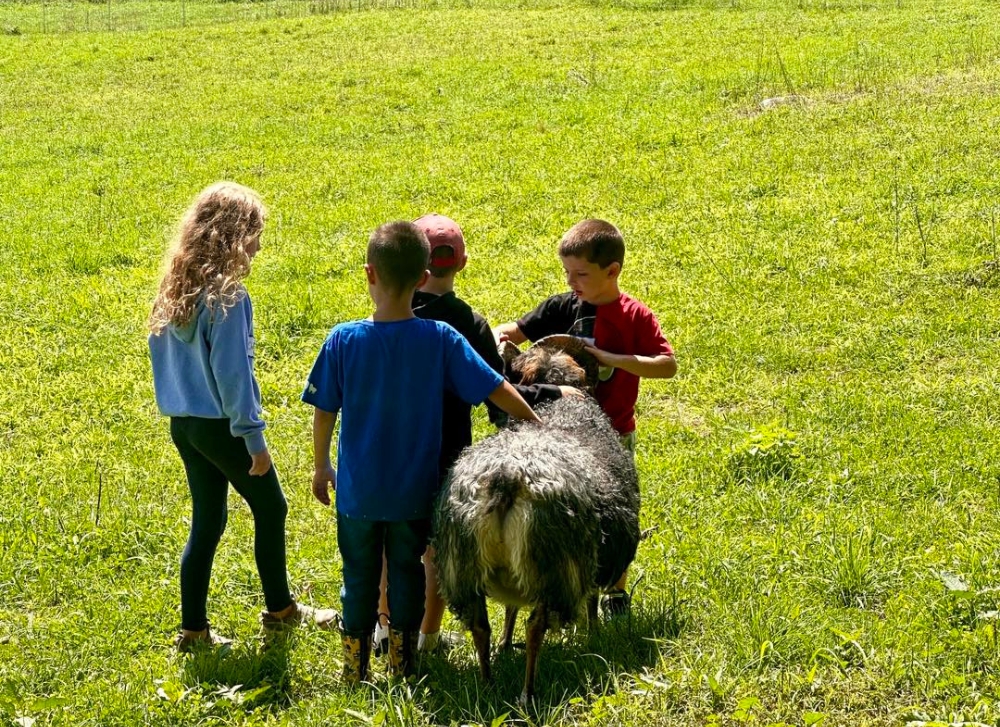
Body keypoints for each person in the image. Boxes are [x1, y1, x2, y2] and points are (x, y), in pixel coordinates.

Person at [303, 220, 541, 684]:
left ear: (369, 274)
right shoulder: (441, 338)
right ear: (421, 277)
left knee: (360, 578)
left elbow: (324, 411)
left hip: (358, 496)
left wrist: (320, 465)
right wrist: (536, 425)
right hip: (416, 493)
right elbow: (498, 388)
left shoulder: (343, 339)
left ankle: (354, 671)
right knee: (409, 574)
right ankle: (404, 667)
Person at [371, 214, 580, 657]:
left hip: (386, 456)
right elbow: (498, 392)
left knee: (389, 548)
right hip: (448, 457)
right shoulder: (467, 324)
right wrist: (552, 392)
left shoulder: (383, 320)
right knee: (441, 551)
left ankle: (383, 630)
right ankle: (428, 638)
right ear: (461, 263)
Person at [148, 182, 339, 652]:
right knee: (272, 507)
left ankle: (193, 631)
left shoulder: (175, 288)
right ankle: (281, 611)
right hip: (222, 427)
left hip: (185, 425)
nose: (258, 244)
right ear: (233, 235)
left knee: (207, 520)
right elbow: (234, 374)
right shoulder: (227, 296)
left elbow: (164, 359)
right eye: (254, 234)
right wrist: (253, 438)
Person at [493, 218, 677, 615]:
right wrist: (495, 336)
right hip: (561, 434)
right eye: (567, 273)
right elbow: (517, 329)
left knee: (619, 508)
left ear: (612, 271)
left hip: (613, 430)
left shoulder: (634, 316)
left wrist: (614, 360)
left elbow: (667, 365)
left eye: (581, 274)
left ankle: (615, 591)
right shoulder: (563, 306)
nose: (572, 281)